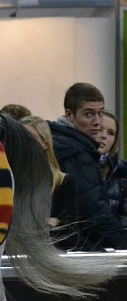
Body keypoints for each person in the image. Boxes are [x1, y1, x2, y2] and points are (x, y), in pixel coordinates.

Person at [49, 83, 127, 250]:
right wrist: (123, 244)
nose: (97, 122)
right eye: (88, 114)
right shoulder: (75, 152)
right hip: (72, 249)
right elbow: (93, 213)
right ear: (69, 115)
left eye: (100, 113)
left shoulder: (63, 142)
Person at [20, 116, 79, 247]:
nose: (23, 144)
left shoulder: (64, 183)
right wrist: (47, 223)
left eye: (29, 138)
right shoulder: (12, 181)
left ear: (45, 143)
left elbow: (69, 234)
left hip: (52, 255)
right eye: (19, 139)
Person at [97, 110, 127, 230]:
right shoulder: (75, 164)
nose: (104, 136)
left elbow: (124, 218)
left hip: (114, 241)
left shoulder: (122, 171)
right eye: (100, 129)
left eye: (110, 133)